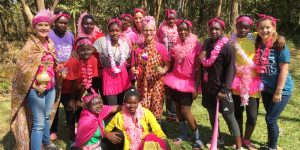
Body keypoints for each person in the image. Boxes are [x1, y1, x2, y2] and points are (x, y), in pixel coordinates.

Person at [11, 9, 60, 150]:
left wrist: (59, 70)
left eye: (47, 25)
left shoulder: (50, 44)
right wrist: (34, 86)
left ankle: (47, 143)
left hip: (50, 87)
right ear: (34, 27)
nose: (44, 28)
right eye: (40, 25)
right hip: (36, 89)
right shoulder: (29, 47)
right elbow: (22, 71)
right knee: (38, 123)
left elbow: (53, 64)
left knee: (46, 117)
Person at [199, 17, 243, 149]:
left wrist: (225, 90)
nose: (214, 31)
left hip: (222, 89)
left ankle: (239, 145)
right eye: (211, 28)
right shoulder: (206, 42)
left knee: (229, 116)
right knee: (212, 114)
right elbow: (203, 61)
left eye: (217, 29)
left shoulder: (228, 47)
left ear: (222, 30)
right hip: (208, 87)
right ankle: (218, 139)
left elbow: (231, 70)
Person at [254, 14, 294, 150]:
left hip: (282, 90)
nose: (264, 30)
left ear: (273, 28)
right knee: (271, 119)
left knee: (270, 119)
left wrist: (279, 91)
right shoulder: (257, 42)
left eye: (268, 27)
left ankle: (272, 147)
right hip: (266, 89)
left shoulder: (279, 46)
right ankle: (271, 142)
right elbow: (240, 35)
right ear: (257, 29)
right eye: (261, 28)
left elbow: (284, 70)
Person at [163, 19, 203, 149]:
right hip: (175, 81)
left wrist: (196, 87)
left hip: (188, 82)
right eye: (180, 29)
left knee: (186, 111)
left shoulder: (197, 45)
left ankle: (197, 137)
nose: (183, 31)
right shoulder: (175, 43)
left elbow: (200, 68)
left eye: (186, 29)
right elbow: (172, 62)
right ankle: (184, 133)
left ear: (190, 30)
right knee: (178, 110)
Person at [131, 16, 170, 121]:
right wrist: (133, 70)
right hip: (142, 82)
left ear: (155, 31)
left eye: (151, 30)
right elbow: (133, 65)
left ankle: (157, 126)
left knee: (156, 104)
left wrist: (164, 69)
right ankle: (144, 126)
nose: (149, 33)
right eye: (146, 30)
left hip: (157, 82)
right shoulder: (136, 47)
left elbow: (167, 64)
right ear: (142, 31)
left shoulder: (161, 47)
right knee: (143, 104)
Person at [105, 88, 170, 150]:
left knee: (151, 138)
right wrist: (107, 134)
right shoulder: (119, 116)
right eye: (129, 103)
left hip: (145, 143)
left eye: (135, 103)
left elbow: (157, 129)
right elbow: (106, 130)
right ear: (124, 102)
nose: (132, 106)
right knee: (118, 134)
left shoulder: (146, 113)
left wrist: (164, 140)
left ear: (139, 102)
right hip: (128, 144)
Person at [63, 37, 99, 146]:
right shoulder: (73, 61)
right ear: (77, 50)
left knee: (80, 110)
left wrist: (79, 99)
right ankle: (71, 137)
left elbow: (87, 81)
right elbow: (74, 83)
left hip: (79, 89)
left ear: (92, 49)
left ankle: (81, 133)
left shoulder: (93, 60)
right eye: (82, 50)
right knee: (70, 110)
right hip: (67, 90)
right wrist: (72, 100)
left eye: (88, 49)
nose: (86, 52)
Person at [48, 9, 74, 140]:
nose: (63, 25)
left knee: (69, 103)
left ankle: (71, 130)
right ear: (54, 22)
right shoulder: (49, 34)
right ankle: (53, 130)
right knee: (54, 105)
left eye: (65, 23)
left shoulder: (70, 36)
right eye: (60, 22)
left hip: (68, 77)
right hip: (53, 76)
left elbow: (74, 52)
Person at [93, 18, 131, 105]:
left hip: (122, 75)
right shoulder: (101, 42)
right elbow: (89, 51)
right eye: (112, 31)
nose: (114, 33)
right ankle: (110, 119)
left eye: (117, 30)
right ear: (108, 31)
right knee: (111, 106)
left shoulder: (124, 43)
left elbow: (128, 59)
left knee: (121, 104)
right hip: (108, 76)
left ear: (120, 30)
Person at [156, 9, 179, 122]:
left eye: (173, 18)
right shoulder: (161, 30)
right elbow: (157, 42)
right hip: (164, 60)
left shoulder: (179, 29)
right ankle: (165, 111)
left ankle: (173, 112)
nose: (171, 20)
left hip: (176, 61)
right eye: (169, 18)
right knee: (164, 87)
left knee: (173, 87)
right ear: (166, 19)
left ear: (176, 19)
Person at [77, 12, 105, 97]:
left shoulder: (100, 36)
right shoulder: (78, 39)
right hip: (88, 74)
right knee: (92, 97)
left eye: (91, 24)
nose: (89, 26)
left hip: (101, 72)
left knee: (105, 98)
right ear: (82, 25)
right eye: (86, 24)